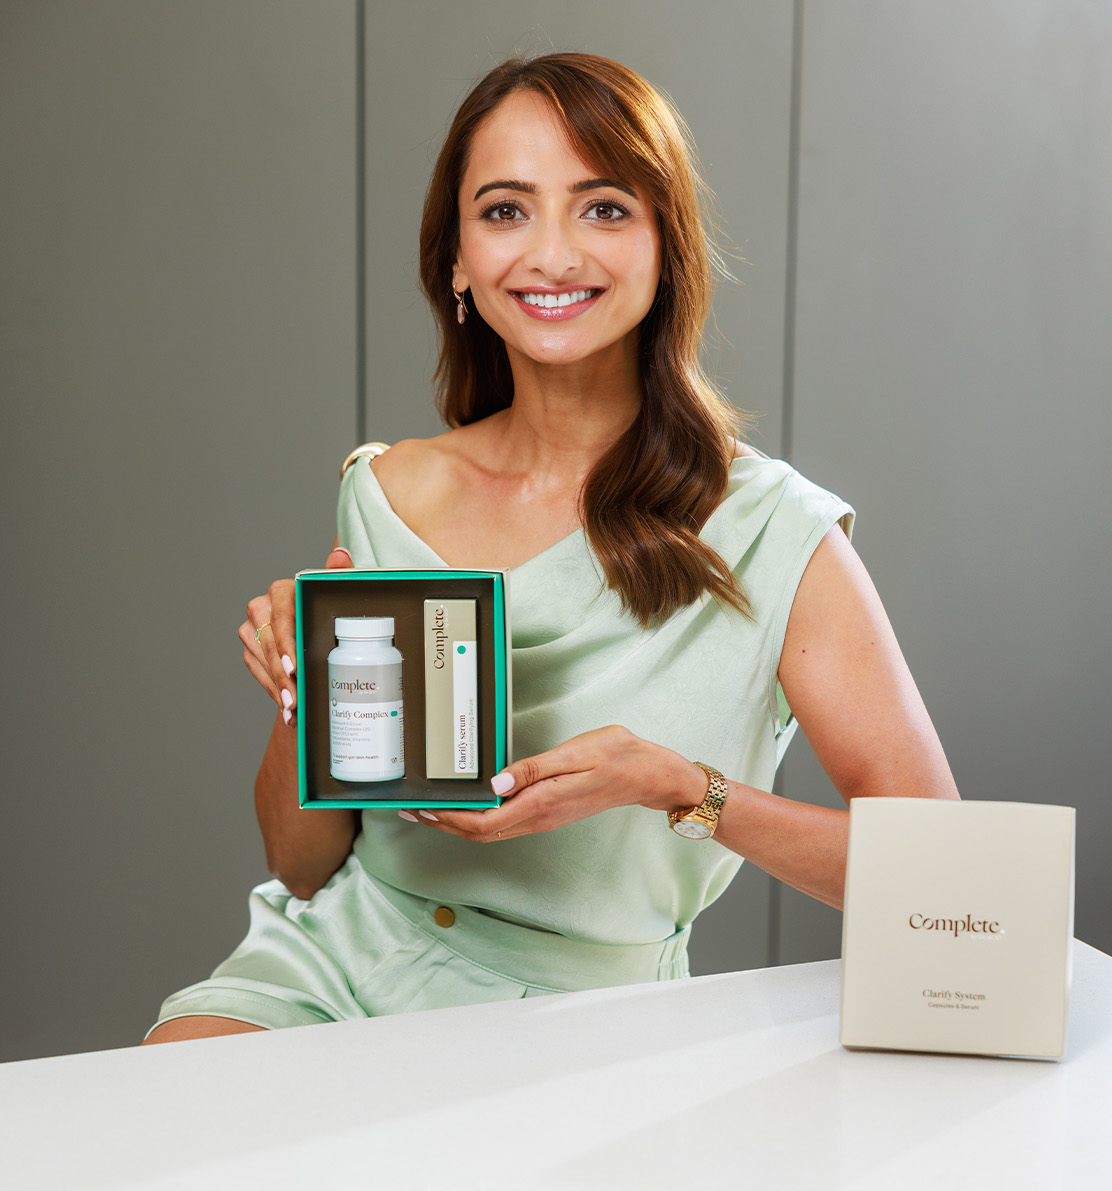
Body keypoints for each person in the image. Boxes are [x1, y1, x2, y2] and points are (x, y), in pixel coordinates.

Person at [145, 53, 957, 1044]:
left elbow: (940, 873)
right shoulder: (387, 492)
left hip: (585, 1018)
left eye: (602, 208)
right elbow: (302, 865)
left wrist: (679, 788)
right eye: (505, 210)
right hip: (330, 961)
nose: (553, 253)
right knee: (160, 1117)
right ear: (457, 260)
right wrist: (299, 691)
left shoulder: (773, 532)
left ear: (664, 245)